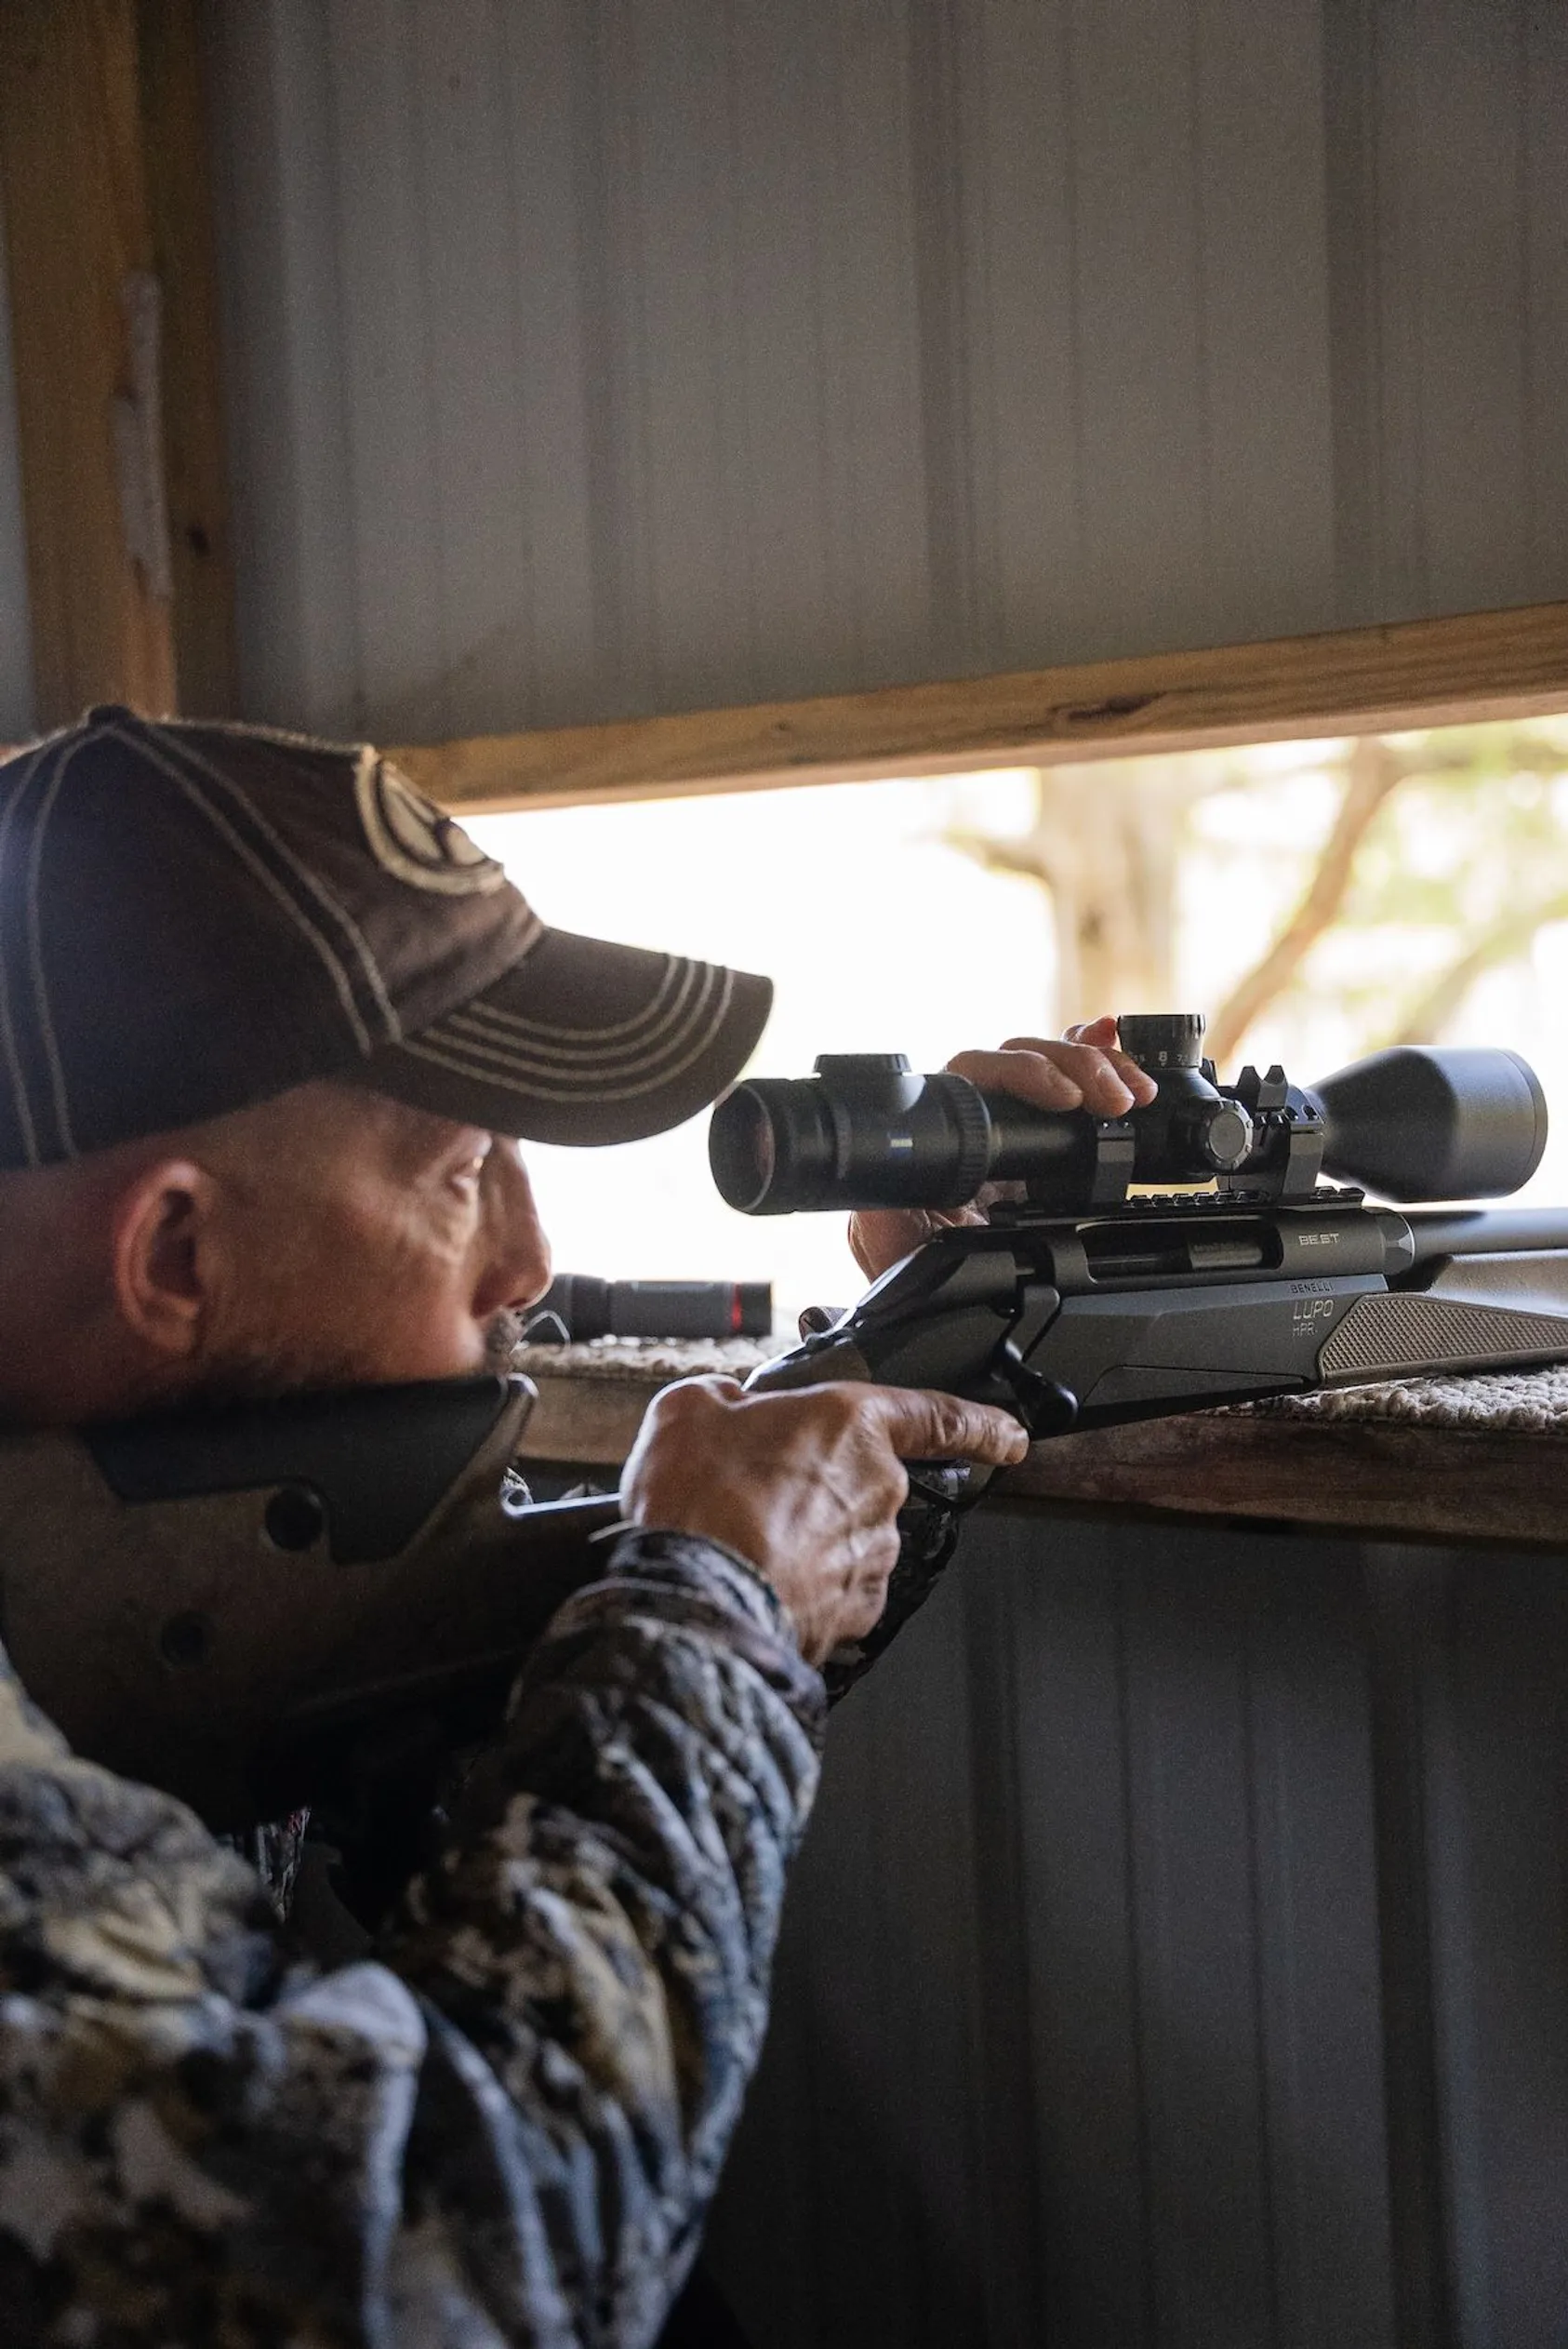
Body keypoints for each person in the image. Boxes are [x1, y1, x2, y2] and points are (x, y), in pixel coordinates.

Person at [0, 707, 1154, 2346]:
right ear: (173, 1261)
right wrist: (705, 1617)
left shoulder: (123, 1534)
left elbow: (472, 1699)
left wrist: (912, 1332)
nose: (528, 1261)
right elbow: (427, 2266)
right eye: (464, 1168)